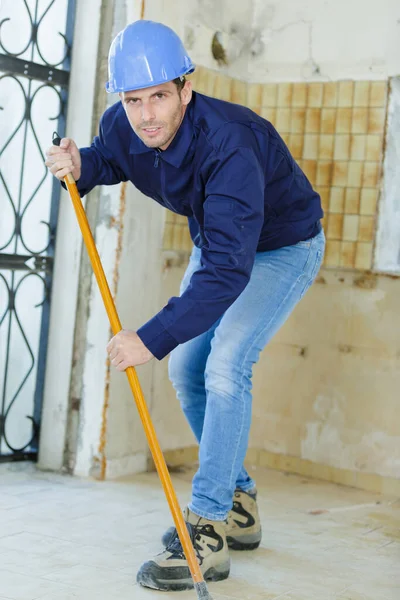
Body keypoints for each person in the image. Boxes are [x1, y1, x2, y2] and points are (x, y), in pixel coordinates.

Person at [46, 19, 325, 593]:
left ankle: (208, 527)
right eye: (133, 100)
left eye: (158, 97)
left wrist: (148, 336)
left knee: (225, 367)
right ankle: (241, 499)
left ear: (185, 90)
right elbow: (113, 159)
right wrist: (83, 167)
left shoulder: (231, 143)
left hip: (283, 247)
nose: (146, 114)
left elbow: (228, 271)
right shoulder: (125, 126)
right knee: (187, 370)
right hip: (222, 240)